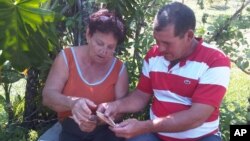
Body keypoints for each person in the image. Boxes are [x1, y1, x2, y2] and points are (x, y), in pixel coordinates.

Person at [98, 2, 231, 141]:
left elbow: (196, 117)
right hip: (157, 136)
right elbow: (140, 96)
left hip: (202, 137)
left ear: (189, 36)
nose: (160, 49)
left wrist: (145, 126)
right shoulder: (153, 56)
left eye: (167, 43)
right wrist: (114, 106)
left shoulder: (215, 60)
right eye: (157, 41)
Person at [42, 8, 128, 141]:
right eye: (99, 43)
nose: (103, 51)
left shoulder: (119, 69)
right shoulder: (66, 58)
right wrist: (72, 103)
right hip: (70, 127)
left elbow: (121, 111)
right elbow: (48, 96)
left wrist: (98, 120)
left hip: (104, 131)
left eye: (110, 47)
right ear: (88, 34)